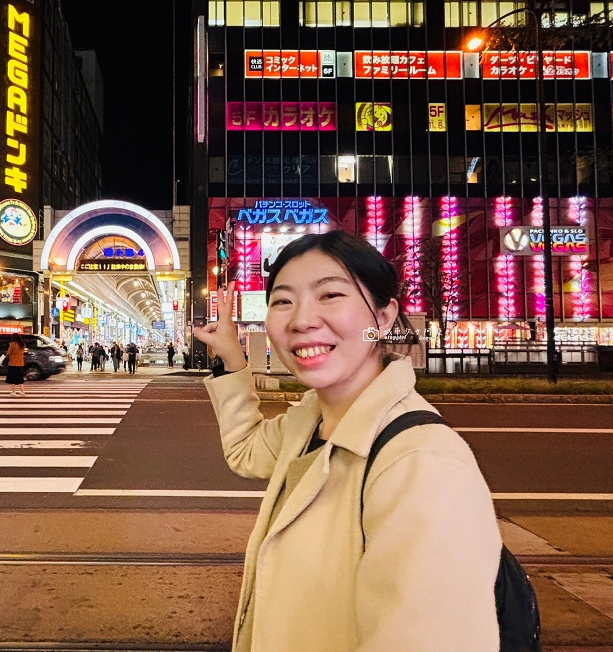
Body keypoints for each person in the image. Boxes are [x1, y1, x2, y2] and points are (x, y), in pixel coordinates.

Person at [193, 232, 500, 651]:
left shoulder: (423, 466)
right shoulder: (309, 421)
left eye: (330, 295)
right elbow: (246, 450)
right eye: (282, 301)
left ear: (385, 317)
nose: (302, 319)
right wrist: (232, 357)